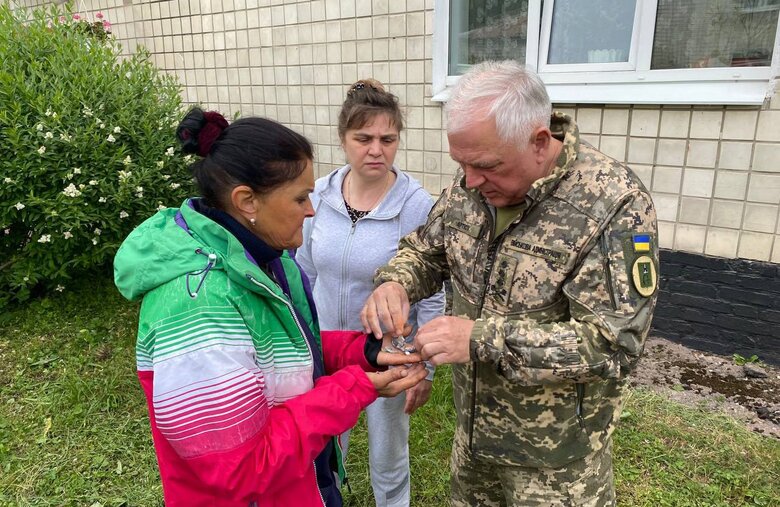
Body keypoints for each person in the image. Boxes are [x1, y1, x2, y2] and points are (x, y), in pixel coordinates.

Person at [360, 61, 659, 506]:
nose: (470, 181)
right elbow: (427, 250)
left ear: (539, 141)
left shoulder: (612, 203)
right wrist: (395, 283)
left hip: (555, 463)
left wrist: (481, 339)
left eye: (485, 166)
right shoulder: (474, 182)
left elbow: (612, 344)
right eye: (461, 164)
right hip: (474, 440)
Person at [113, 108, 429, 506]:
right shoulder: (199, 307)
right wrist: (352, 389)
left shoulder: (268, 259)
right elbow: (242, 470)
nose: (311, 210)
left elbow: (286, 347)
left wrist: (363, 352)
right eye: (300, 198)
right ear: (247, 201)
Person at [297, 79, 445, 507]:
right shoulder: (319, 196)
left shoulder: (416, 205)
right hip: (327, 347)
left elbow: (432, 293)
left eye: (388, 139)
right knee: (324, 444)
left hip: (389, 352)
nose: (376, 150)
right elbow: (305, 271)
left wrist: (425, 367)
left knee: (388, 453)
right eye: (364, 139)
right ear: (343, 139)